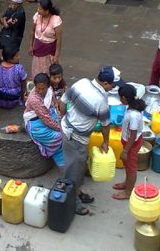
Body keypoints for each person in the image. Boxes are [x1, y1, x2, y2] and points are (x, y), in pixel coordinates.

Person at [60, 66, 124, 216]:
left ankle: (77, 191)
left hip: (66, 129)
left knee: (79, 166)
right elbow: (105, 125)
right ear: (106, 83)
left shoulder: (82, 82)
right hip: (76, 138)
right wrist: (106, 141)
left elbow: (63, 102)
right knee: (73, 172)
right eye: (114, 85)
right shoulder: (101, 101)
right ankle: (73, 201)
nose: (114, 88)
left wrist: (63, 120)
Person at [23, 73, 65, 171]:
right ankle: (63, 165)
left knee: (63, 135)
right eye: (38, 89)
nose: (40, 91)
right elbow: (46, 119)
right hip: (35, 123)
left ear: (48, 86)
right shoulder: (34, 100)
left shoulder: (50, 91)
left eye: (43, 89)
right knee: (59, 137)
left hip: (48, 115)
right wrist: (61, 129)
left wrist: (59, 117)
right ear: (35, 86)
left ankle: (63, 164)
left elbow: (54, 105)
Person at [111, 84, 145, 200]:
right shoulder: (130, 107)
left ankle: (129, 192)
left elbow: (133, 135)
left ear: (124, 98)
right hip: (127, 141)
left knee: (131, 167)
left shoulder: (134, 115)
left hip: (132, 143)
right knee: (127, 164)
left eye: (120, 97)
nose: (120, 99)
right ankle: (127, 183)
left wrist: (126, 150)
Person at [29, 0, 62, 77]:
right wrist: (31, 45)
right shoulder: (37, 16)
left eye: (40, 9)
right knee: (37, 72)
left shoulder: (56, 20)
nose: (38, 10)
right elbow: (32, 31)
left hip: (50, 52)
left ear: (47, 11)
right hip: (38, 49)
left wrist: (56, 55)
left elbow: (59, 39)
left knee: (49, 72)